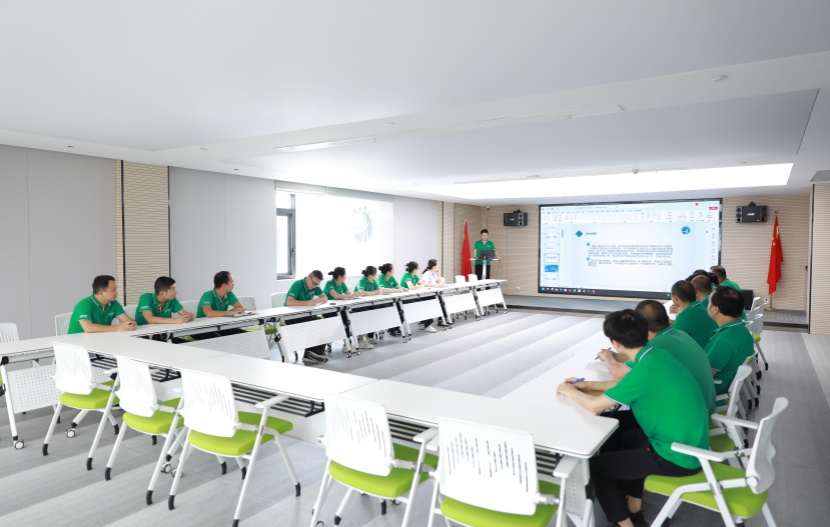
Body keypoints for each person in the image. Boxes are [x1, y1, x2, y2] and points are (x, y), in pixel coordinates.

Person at [557, 310, 709, 527]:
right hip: (693, 445)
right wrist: (586, 385)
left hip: (677, 456)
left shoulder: (645, 369)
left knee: (598, 468)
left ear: (616, 343)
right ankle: (634, 506)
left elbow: (593, 406)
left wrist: (570, 391)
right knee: (629, 437)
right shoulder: (657, 356)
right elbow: (627, 383)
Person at [705, 286, 755, 395]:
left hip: (713, 390)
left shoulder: (724, 339)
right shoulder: (742, 330)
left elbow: (705, 373)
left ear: (716, 309)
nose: (707, 305)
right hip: (727, 385)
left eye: (709, 303)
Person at [285, 270, 329, 364]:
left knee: (323, 323)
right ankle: (310, 353)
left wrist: (316, 300)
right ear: (309, 277)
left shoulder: (315, 286)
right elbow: (289, 302)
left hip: (305, 315)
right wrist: (307, 303)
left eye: (317, 284)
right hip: (291, 317)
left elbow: (325, 298)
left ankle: (314, 353)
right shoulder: (298, 284)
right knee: (316, 323)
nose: (314, 286)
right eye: (313, 283)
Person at [68, 275, 136, 334]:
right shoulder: (84, 305)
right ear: (101, 293)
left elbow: (127, 320)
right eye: (113, 290)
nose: (116, 293)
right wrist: (118, 327)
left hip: (100, 339)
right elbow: (88, 328)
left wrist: (130, 324)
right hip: (77, 342)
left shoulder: (114, 303)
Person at [324, 267, 371, 350]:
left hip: (340, 309)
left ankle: (349, 343)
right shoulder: (329, 283)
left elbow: (348, 293)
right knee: (345, 321)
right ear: (340, 277)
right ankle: (346, 344)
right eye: (345, 275)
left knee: (350, 320)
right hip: (329, 311)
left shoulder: (342, 283)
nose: (345, 277)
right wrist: (351, 295)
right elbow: (336, 296)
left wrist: (355, 294)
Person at [670, 280, 718, 349]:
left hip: (702, 353)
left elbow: (672, 339)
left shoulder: (686, 315)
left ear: (675, 298)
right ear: (695, 293)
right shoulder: (700, 306)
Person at [401, 261, 436, 333]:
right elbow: (411, 287)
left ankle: (424, 324)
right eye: (418, 268)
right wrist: (417, 286)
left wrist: (416, 286)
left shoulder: (414, 276)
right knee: (421, 305)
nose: (418, 270)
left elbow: (422, 284)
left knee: (428, 300)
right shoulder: (407, 275)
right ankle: (427, 325)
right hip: (405, 299)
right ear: (415, 269)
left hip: (412, 297)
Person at [366, 265, 402, 336]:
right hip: (380, 301)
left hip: (390, 299)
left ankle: (394, 327)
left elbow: (398, 287)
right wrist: (396, 290)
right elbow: (382, 290)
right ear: (388, 272)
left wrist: (402, 289)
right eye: (393, 270)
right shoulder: (380, 278)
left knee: (400, 307)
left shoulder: (391, 278)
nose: (394, 271)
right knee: (390, 309)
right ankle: (388, 328)